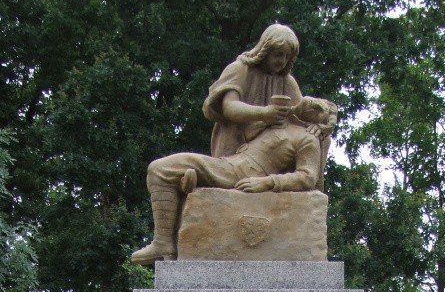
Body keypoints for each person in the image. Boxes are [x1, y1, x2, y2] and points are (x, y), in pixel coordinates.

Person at [130, 106, 334, 265]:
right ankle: (164, 240)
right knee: (158, 169)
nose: (307, 105)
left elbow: (307, 177)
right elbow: (244, 132)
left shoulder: (308, 140)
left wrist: (267, 182)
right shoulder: (277, 123)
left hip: (241, 174)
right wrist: (269, 117)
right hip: (228, 163)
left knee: (159, 169)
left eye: (317, 108)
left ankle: (164, 239)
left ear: (321, 119)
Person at [203, 23, 336, 175]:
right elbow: (229, 107)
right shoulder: (240, 69)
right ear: (265, 50)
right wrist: (264, 113)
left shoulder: (286, 81)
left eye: (287, 56)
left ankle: (300, 183)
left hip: (269, 152)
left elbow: (300, 115)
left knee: (317, 139)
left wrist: (320, 125)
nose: (282, 61)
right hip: (235, 145)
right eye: (278, 54)